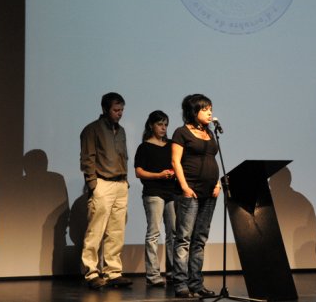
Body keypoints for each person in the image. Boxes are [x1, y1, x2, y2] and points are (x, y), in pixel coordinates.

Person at [79, 92, 132, 289]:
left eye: (122, 110)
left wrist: (125, 181)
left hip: (120, 184)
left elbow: (123, 157)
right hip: (102, 183)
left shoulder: (122, 131)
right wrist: (93, 185)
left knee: (116, 231)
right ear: (105, 109)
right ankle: (91, 272)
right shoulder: (92, 130)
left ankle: (113, 272)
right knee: (96, 230)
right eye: (116, 110)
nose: (120, 114)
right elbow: (87, 158)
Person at [171, 94, 221, 298]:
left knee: (199, 239)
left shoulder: (210, 133)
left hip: (210, 193)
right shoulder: (181, 132)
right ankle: (181, 284)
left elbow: (212, 160)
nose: (210, 112)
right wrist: (184, 186)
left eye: (211, 108)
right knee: (184, 238)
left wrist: (217, 183)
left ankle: (196, 283)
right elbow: (176, 162)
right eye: (205, 109)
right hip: (189, 191)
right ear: (194, 111)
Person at [134, 110, 177, 287]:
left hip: (172, 192)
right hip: (153, 192)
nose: (163, 128)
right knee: (154, 233)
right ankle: (153, 275)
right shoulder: (144, 147)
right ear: (151, 125)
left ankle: (174, 272)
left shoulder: (171, 145)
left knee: (173, 233)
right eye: (160, 124)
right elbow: (139, 172)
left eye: (165, 124)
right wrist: (159, 175)